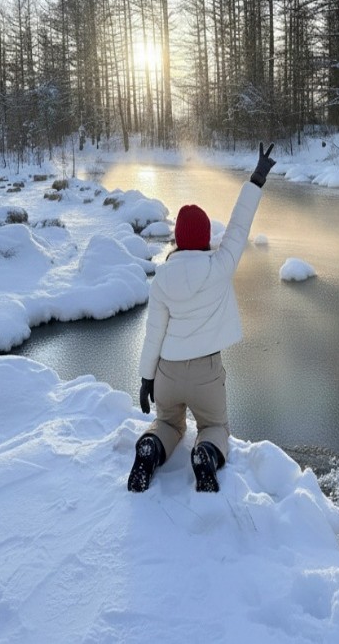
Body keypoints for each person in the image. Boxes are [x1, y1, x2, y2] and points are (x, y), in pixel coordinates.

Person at [127, 143, 276, 493]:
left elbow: (154, 333)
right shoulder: (220, 266)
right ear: (206, 238)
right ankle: (206, 455)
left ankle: (151, 448)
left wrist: (147, 378)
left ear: (178, 238)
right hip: (207, 374)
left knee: (168, 423)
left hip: (167, 371)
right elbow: (238, 226)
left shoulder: (162, 278)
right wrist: (255, 180)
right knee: (214, 427)